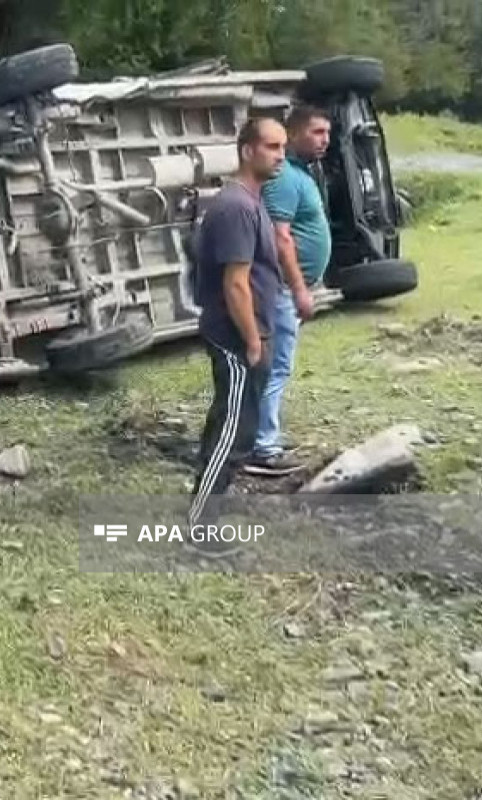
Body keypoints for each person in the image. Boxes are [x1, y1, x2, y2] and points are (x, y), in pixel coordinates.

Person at [188, 117, 287, 527]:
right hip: (235, 336)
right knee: (232, 433)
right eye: (271, 147)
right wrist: (252, 341)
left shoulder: (251, 200)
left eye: (283, 147)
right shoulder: (235, 207)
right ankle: (200, 525)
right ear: (248, 150)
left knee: (231, 427)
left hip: (246, 332)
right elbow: (236, 284)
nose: (281, 155)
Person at [244, 105, 334, 477]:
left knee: (275, 365)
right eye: (316, 132)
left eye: (327, 132)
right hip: (280, 289)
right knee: (275, 366)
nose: (325, 140)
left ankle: (260, 438)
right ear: (293, 134)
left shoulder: (297, 174)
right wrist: (299, 290)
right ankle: (263, 447)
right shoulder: (283, 179)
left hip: (284, 289)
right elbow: (280, 239)